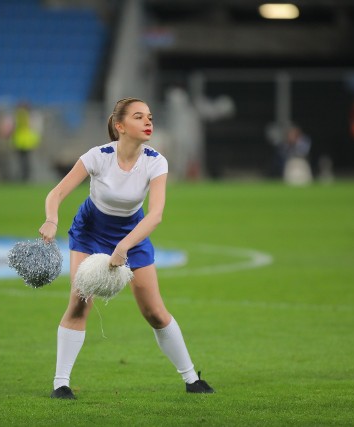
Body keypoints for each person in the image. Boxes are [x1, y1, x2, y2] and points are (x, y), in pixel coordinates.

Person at [38, 97, 215, 399]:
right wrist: (52, 220)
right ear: (120, 126)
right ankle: (60, 383)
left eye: (150, 116)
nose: (148, 122)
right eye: (139, 117)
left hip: (133, 234)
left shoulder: (156, 161)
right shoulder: (98, 156)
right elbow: (57, 192)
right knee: (80, 303)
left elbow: (156, 214)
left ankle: (191, 379)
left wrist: (123, 247)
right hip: (90, 231)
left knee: (155, 312)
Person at [11, 102, 41, 182]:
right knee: (26, 161)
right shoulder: (30, 116)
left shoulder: (18, 115)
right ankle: (26, 177)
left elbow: (14, 128)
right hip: (27, 141)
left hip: (19, 141)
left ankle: (23, 177)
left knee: (22, 161)